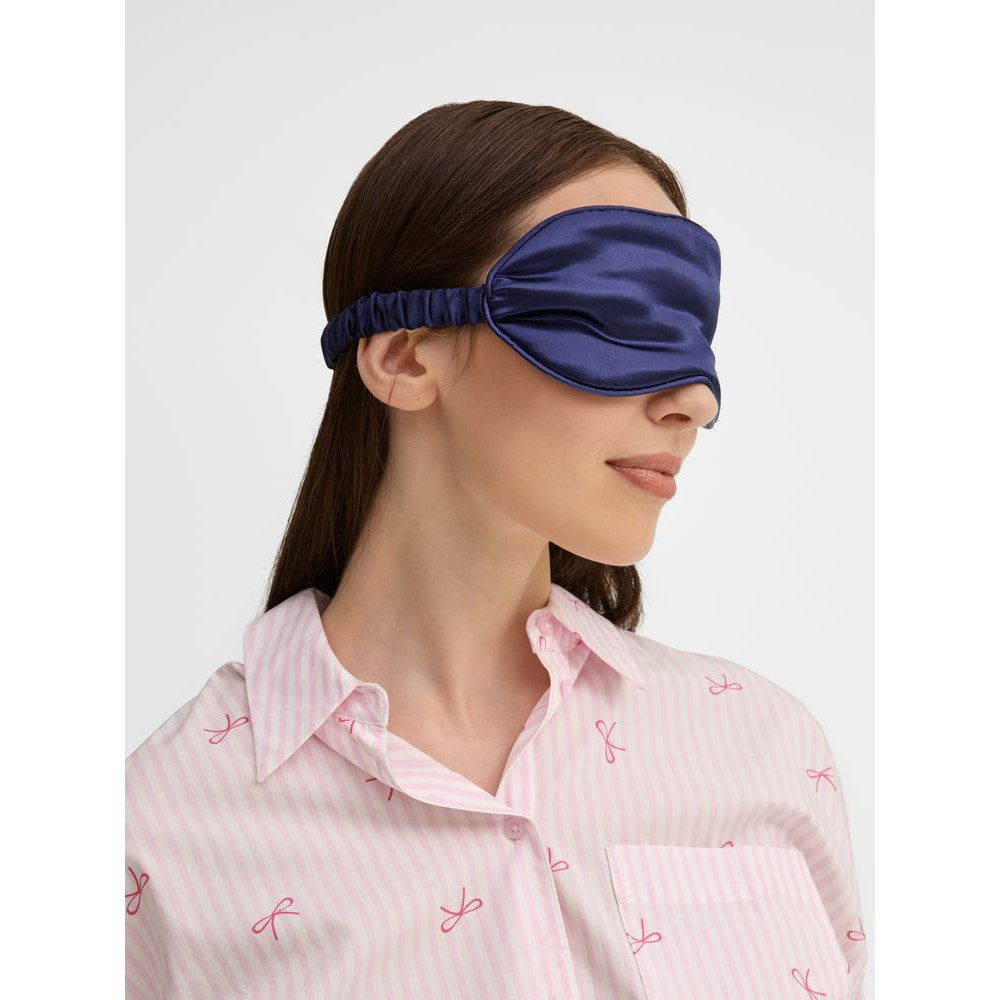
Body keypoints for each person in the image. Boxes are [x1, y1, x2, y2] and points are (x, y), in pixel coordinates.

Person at [126, 100, 867, 999]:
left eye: (691, 328)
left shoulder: (762, 748)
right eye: (616, 315)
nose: (694, 400)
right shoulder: (154, 834)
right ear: (405, 357)